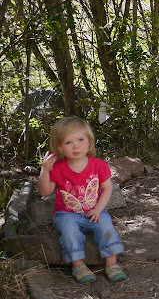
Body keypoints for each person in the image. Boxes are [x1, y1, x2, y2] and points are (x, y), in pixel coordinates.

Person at [38, 117, 127, 283]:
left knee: (106, 227)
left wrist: (98, 209)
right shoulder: (57, 168)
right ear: (59, 147)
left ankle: (112, 264)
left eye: (80, 140)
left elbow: (107, 189)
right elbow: (45, 191)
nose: (76, 146)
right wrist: (45, 170)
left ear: (89, 142)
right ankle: (78, 265)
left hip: (94, 211)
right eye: (68, 142)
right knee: (69, 231)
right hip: (66, 214)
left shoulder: (98, 165)